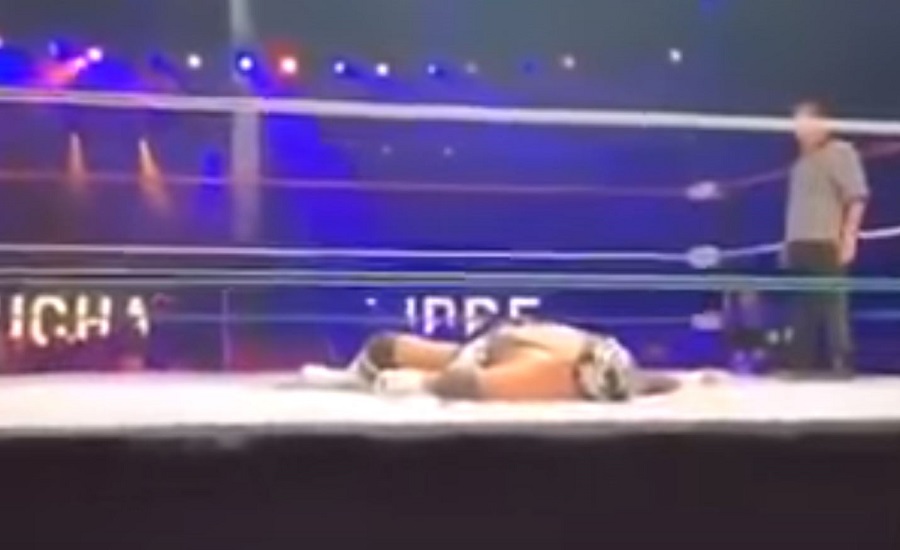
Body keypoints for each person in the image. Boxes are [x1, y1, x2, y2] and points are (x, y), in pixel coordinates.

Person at [293, 317, 726, 402]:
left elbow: (469, 385)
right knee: (385, 345)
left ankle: (362, 382)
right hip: (487, 347)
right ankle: (350, 378)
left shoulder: (551, 370)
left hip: (489, 359)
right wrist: (689, 379)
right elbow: (646, 380)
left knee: (403, 375)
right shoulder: (577, 346)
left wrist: (423, 384)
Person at [784, 99, 870, 377]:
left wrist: (849, 238)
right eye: (796, 123)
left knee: (833, 306)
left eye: (804, 122)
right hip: (800, 243)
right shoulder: (800, 163)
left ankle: (842, 363)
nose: (799, 129)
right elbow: (796, 208)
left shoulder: (841, 152)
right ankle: (799, 365)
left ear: (822, 124)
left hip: (826, 239)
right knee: (802, 307)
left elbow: (856, 197)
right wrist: (788, 242)